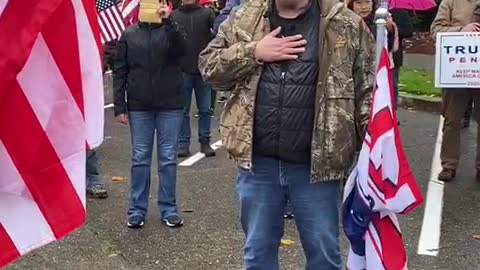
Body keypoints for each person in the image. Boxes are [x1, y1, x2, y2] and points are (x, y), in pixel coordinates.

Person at [198, 0, 375, 268]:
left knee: (324, 257)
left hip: (317, 168)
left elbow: (368, 92)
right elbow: (209, 69)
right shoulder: (246, 17)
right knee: (258, 256)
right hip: (259, 165)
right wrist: (253, 51)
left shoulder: (345, 23)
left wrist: (375, 153)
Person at [113, 0, 187, 229]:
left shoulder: (170, 30)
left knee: (167, 159)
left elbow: (182, 51)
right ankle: (136, 210)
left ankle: (169, 209)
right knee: (140, 159)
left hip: (170, 105)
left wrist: (170, 20)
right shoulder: (129, 34)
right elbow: (120, 71)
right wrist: (120, 106)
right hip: (139, 106)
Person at [431, 0, 480, 181]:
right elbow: (435, 31)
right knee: (452, 119)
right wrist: (461, 30)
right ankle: (449, 165)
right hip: (456, 70)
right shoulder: (450, 1)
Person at [171, 0, 217, 158]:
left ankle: (205, 142)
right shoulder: (174, 16)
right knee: (182, 110)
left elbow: (219, 32)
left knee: (205, 109)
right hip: (182, 70)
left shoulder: (207, 13)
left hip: (203, 70)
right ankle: (183, 144)